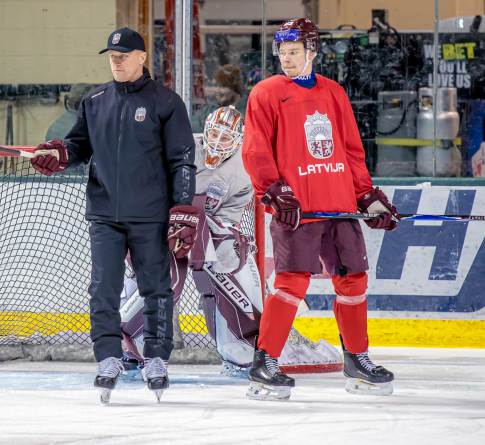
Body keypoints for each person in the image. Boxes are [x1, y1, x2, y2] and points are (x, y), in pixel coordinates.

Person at [29, 27, 197, 404]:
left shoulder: (166, 102)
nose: (116, 60)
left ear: (142, 57)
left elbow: (182, 160)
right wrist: (57, 154)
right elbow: (76, 145)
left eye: (124, 55)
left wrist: (183, 208)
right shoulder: (95, 100)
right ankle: (108, 357)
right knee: (103, 287)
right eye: (111, 55)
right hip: (104, 212)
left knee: (156, 288)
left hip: (150, 214)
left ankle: (156, 358)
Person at [117, 106, 341, 380]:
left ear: (238, 139)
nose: (217, 142)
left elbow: (227, 216)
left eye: (225, 138)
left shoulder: (244, 170)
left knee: (236, 263)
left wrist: (222, 236)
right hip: (167, 226)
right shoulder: (180, 149)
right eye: (213, 134)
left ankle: (241, 348)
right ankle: (125, 344)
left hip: (206, 231)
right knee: (161, 279)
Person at [242, 18, 400, 401]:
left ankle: (356, 360)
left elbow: (349, 150)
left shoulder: (334, 93)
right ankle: (266, 363)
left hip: (340, 205)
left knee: (354, 281)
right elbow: (255, 149)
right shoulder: (265, 93)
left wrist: (367, 196)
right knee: (292, 282)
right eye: (281, 53)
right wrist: (274, 191)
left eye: (294, 52)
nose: (286, 59)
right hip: (298, 209)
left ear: (312, 51)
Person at [190, 65, 248, 133]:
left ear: (235, 88)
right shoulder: (206, 112)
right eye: (215, 85)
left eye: (222, 86)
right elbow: (192, 129)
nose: (217, 90)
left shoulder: (248, 111)